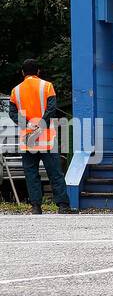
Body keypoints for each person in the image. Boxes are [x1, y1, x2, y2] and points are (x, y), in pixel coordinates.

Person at [8, 59, 71, 213]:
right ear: (38, 71)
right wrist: (41, 123)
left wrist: (28, 124)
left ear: (23, 73)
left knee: (31, 173)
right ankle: (62, 206)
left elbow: (12, 113)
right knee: (55, 173)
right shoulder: (47, 86)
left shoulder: (15, 91)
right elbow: (52, 109)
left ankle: (36, 206)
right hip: (47, 139)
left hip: (27, 139)